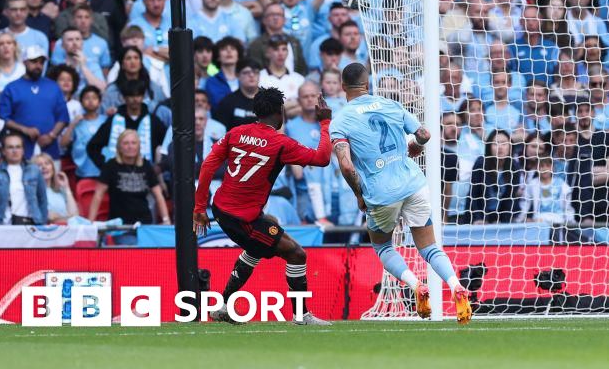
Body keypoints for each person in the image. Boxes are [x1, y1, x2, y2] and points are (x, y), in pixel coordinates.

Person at [331, 63, 472, 323]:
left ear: (342, 87)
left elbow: (347, 165)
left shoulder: (340, 120)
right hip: (414, 184)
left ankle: (416, 285)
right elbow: (424, 134)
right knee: (429, 247)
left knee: (383, 246)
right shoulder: (390, 104)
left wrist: (359, 195)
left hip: (381, 193)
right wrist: (416, 145)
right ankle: (456, 285)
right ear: (367, 84)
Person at [194, 87, 334, 326]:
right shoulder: (281, 143)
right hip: (243, 218)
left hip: (220, 207)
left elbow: (207, 165)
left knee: (265, 234)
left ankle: (223, 305)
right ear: (280, 112)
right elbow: (322, 158)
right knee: (296, 254)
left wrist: (199, 208)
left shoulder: (235, 133)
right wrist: (324, 123)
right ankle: (301, 316)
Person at [88, 129, 169, 225]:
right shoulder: (111, 166)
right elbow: (98, 195)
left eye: (133, 143)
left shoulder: (146, 165)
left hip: (144, 223)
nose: (130, 146)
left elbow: (158, 195)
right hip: (119, 224)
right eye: (126, 143)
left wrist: (166, 219)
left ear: (139, 146)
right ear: (119, 147)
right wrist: (90, 223)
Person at [0, 132, 47, 225]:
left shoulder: (34, 170)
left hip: (31, 224)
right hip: (3, 224)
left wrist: (42, 223)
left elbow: (42, 199)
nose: (15, 151)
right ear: (3, 151)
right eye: (10, 147)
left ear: (23, 150)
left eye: (18, 147)